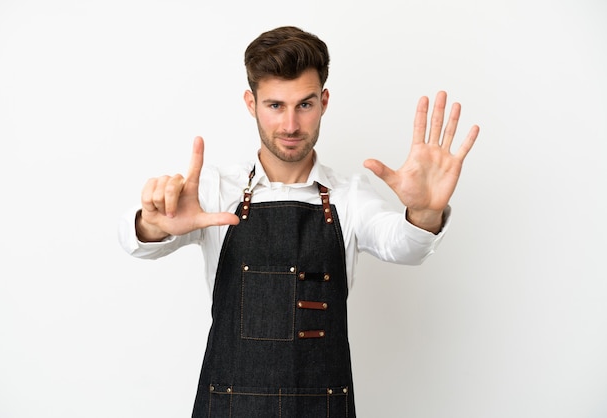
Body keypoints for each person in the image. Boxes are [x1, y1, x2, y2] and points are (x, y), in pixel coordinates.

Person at [118, 25, 479, 417]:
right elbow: (132, 240)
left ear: (324, 101)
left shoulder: (349, 195)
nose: (290, 125)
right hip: (229, 405)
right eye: (275, 105)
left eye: (304, 105)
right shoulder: (213, 191)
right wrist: (152, 223)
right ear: (250, 103)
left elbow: (404, 247)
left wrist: (424, 213)